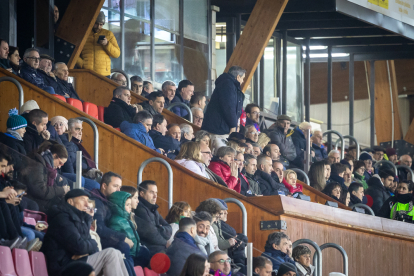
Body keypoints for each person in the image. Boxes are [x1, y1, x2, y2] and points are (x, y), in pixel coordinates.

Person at [41, 189, 129, 276]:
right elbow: (79, 246)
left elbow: (92, 249)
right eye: (82, 200)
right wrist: (89, 246)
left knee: (117, 253)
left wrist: (84, 252)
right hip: (64, 268)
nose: (87, 204)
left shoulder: (82, 219)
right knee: (111, 254)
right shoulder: (62, 218)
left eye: (87, 200)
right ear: (70, 201)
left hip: (77, 262)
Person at [89, 172, 133, 266]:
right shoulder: (96, 201)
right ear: (104, 186)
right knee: (124, 246)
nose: (118, 190)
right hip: (97, 241)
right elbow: (99, 228)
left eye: (120, 187)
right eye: (115, 186)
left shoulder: (109, 201)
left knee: (142, 252)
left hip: (106, 237)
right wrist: (122, 238)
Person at [202, 66, 246, 151]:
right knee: (222, 155)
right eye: (242, 78)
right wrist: (233, 125)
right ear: (238, 77)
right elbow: (229, 107)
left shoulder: (228, 84)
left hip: (221, 128)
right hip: (219, 130)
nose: (243, 81)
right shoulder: (228, 85)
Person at [18, 141, 70, 212]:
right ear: (54, 156)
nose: (59, 167)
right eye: (60, 163)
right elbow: (40, 190)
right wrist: (61, 190)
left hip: (42, 199)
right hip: (34, 199)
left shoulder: (47, 166)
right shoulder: (37, 164)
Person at [107, 191, 150, 267]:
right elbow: (116, 237)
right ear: (118, 206)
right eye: (127, 205)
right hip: (128, 253)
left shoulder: (127, 219)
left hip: (135, 252)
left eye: (130, 204)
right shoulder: (116, 220)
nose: (130, 207)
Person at [60, 118, 101, 190]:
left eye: (81, 130)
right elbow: (73, 161)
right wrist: (88, 169)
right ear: (68, 129)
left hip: (82, 174)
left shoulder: (77, 144)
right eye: (77, 129)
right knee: (91, 184)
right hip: (75, 174)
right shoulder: (68, 142)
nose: (80, 132)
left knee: (97, 186)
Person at [76, 11, 120, 76]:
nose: (98, 27)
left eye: (101, 24)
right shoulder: (84, 34)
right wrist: (82, 64)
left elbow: (117, 54)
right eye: (96, 24)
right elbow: (75, 52)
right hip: (87, 72)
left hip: (104, 74)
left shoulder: (108, 34)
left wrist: (107, 44)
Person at [135, 180, 172, 255]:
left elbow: (169, 227)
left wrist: (159, 229)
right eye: (152, 192)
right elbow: (152, 235)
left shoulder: (153, 209)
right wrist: (166, 242)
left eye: (156, 193)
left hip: (158, 249)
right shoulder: (139, 209)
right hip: (149, 251)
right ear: (142, 193)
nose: (155, 196)